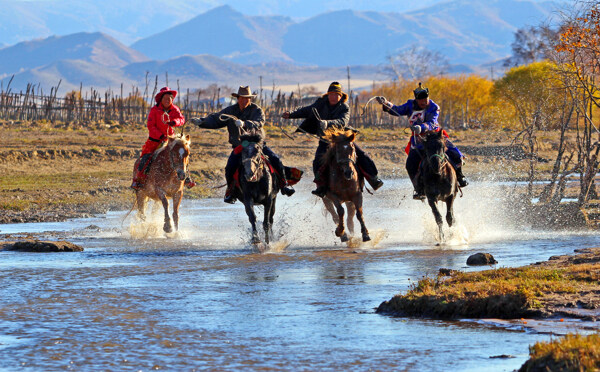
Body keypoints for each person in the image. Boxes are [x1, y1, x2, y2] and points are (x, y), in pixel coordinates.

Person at [191, 86, 295, 204]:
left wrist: (245, 123)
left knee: (276, 160)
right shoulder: (230, 111)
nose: (245, 100)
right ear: (238, 98)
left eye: (247, 98)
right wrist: (202, 122)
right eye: (242, 98)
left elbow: (259, 122)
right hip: (240, 147)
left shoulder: (257, 110)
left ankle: (284, 185)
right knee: (229, 167)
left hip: (257, 145)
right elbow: (216, 119)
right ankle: (231, 192)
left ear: (250, 99)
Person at [282, 81, 383, 197]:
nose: (334, 97)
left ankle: (373, 179)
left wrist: (327, 123)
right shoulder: (321, 103)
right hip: (326, 139)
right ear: (328, 95)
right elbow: (307, 110)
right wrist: (291, 114)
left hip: (342, 139)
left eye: (336, 95)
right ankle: (320, 187)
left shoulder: (344, 107)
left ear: (341, 96)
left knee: (363, 155)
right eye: (331, 94)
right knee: (317, 161)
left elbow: (342, 122)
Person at [377, 83, 468, 200]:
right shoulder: (410, 105)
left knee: (455, 154)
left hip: (435, 136)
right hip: (419, 140)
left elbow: (432, 123)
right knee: (410, 164)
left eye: (426, 99)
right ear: (416, 99)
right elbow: (397, 110)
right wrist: (386, 104)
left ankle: (460, 177)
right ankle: (418, 189)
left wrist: (421, 127)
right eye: (421, 100)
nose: (424, 102)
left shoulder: (434, 107)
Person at [131, 87, 195, 190]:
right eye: (165, 98)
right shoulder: (154, 110)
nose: (167, 100)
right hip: (155, 141)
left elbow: (181, 119)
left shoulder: (174, 109)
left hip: (170, 141)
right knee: (146, 158)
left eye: (169, 98)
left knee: (181, 155)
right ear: (161, 99)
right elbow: (151, 126)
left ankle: (186, 178)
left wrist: (174, 122)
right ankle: (138, 180)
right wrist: (160, 136)